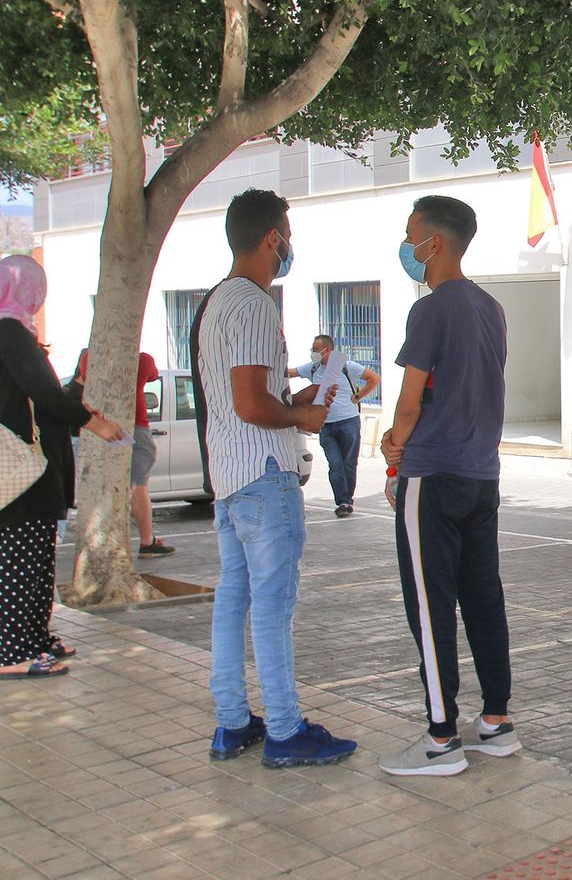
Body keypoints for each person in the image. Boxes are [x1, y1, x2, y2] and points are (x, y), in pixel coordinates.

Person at [194, 188, 357, 767]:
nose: (289, 245)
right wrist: (301, 415)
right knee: (272, 605)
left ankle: (232, 723)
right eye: (287, 234)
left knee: (233, 599)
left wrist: (297, 397)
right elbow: (249, 403)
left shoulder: (215, 302)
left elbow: (250, 394)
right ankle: (286, 731)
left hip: (230, 477)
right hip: (265, 475)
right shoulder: (257, 304)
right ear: (271, 239)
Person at [380, 195, 517, 776]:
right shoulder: (491, 308)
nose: (409, 247)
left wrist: (393, 444)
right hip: (481, 475)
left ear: (434, 243)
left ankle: (441, 739)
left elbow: (412, 400)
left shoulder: (431, 310)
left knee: (430, 607)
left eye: (413, 236)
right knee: (483, 597)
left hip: (432, 475)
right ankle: (496, 722)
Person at [0, 256, 126, 678]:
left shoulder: (15, 334)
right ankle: (14, 653)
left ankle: (36, 638)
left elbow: (43, 398)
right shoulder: (9, 331)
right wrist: (94, 423)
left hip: (36, 473)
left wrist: (74, 401)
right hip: (21, 476)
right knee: (21, 563)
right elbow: (43, 393)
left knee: (38, 561)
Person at [75, 348, 174, 555]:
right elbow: (153, 375)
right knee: (139, 485)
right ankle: (147, 541)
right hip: (136, 425)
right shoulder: (144, 359)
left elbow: (83, 378)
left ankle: (102, 541)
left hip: (99, 425)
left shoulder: (89, 357)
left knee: (104, 484)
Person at [289, 335, 379, 518]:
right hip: (326, 425)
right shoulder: (313, 368)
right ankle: (342, 501)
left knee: (348, 463)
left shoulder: (347, 367)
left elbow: (374, 378)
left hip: (349, 421)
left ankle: (347, 500)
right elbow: (290, 373)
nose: (313, 352)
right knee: (335, 464)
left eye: (316, 349)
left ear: (327, 350)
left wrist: (358, 397)